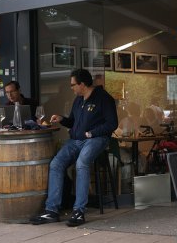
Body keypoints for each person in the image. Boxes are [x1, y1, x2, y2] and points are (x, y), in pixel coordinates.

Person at [30, 69, 118, 227]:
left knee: (81, 163)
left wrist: (92, 133)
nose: (71, 88)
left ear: (82, 84)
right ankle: (52, 211)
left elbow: (112, 124)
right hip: (76, 140)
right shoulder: (78, 100)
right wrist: (62, 119)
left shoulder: (104, 99)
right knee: (56, 164)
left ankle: (79, 211)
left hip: (96, 139)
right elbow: (73, 122)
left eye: (73, 85)